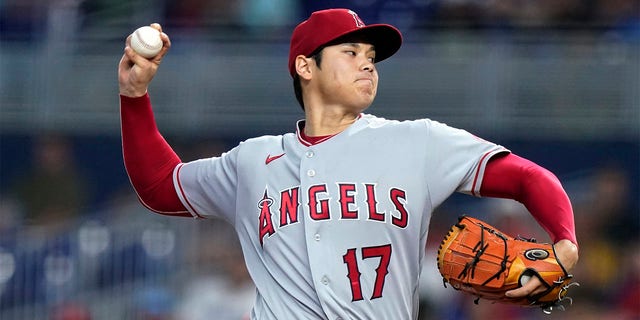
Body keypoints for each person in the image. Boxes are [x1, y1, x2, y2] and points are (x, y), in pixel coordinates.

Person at [117, 8, 579, 320]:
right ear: (305, 67)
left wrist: (565, 244)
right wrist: (135, 97)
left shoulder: (416, 141)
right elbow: (160, 185)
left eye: (372, 57)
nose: (368, 65)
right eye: (350, 53)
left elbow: (528, 177)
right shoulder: (253, 161)